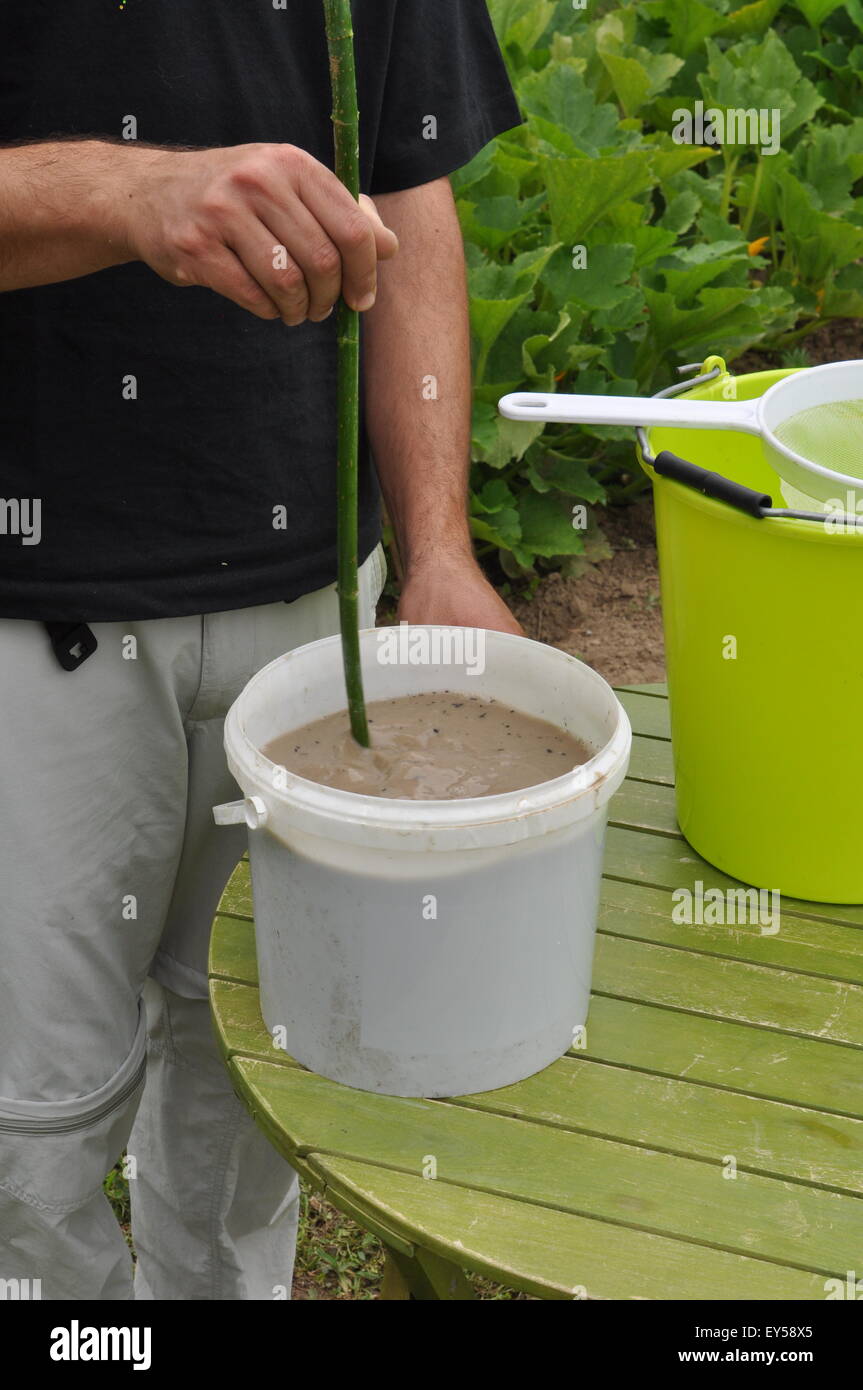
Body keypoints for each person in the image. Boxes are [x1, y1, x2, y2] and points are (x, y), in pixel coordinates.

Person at [0, 1, 523, 1300]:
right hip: (29, 610)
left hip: (311, 607)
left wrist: (440, 548)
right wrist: (129, 192)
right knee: (30, 1136)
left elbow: (408, 192)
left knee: (253, 1069)